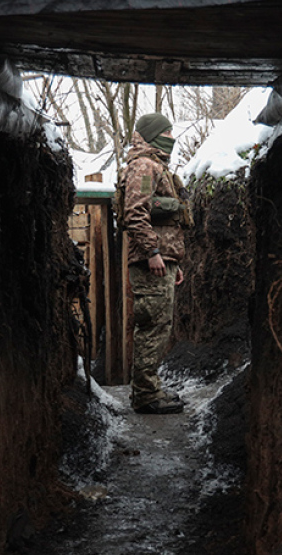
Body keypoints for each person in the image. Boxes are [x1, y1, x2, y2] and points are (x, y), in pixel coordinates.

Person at [122, 113, 186, 415]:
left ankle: (149, 389)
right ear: (154, 134)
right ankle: (146, 395)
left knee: (160, 326)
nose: (172, 137)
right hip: (151, 262)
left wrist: (172, 260)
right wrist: (152, 253)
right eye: (168, 131)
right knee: (152, 327)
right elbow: (135, 213)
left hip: (161, 261)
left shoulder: (154, 165)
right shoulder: (144, 166)